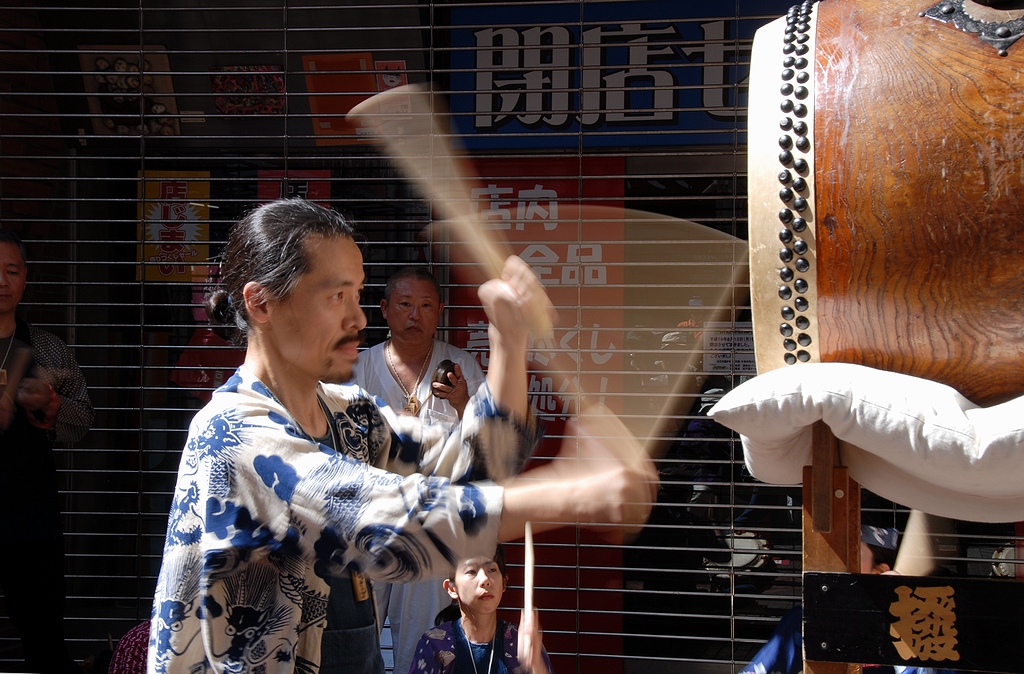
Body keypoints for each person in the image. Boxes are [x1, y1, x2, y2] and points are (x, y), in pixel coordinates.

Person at [147, 199, 655, 674]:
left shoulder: (349, 415)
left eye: (358, 294)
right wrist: (577, 492)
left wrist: (508, 343)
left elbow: (472, 466)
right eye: (335, 296)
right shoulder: (233, 432)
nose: (358, 317)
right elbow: (396, 524)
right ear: (261, 304)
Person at [344, 266, 487, 674]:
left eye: (425, 305)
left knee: (422, 638)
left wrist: (463, 406)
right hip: (367, 519)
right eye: (405, 304)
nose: (415, 315)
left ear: (439, 310)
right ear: (385, 309)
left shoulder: (461, 365)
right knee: (356, 627)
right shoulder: (357, 366)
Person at [0, 230, 94, 674]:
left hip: (31, 515)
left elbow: (83, 421)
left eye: (12, 271)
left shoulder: (46, 347)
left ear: (25, 279)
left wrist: (55, 409)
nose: (2, 281)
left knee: (43, 640)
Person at [740, 525, 956, 674]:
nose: (839, 562)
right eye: (836, 552)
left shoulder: (918, 622)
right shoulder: (806, 620)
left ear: (881, 571)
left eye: (852, 554)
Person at [408, 544, 552, 674]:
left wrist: (537, 666)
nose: (485, 580)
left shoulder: (519, 642)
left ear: (504, 583)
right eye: (471, 571)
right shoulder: (435, 644)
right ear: (452, 588)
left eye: (492, 569)